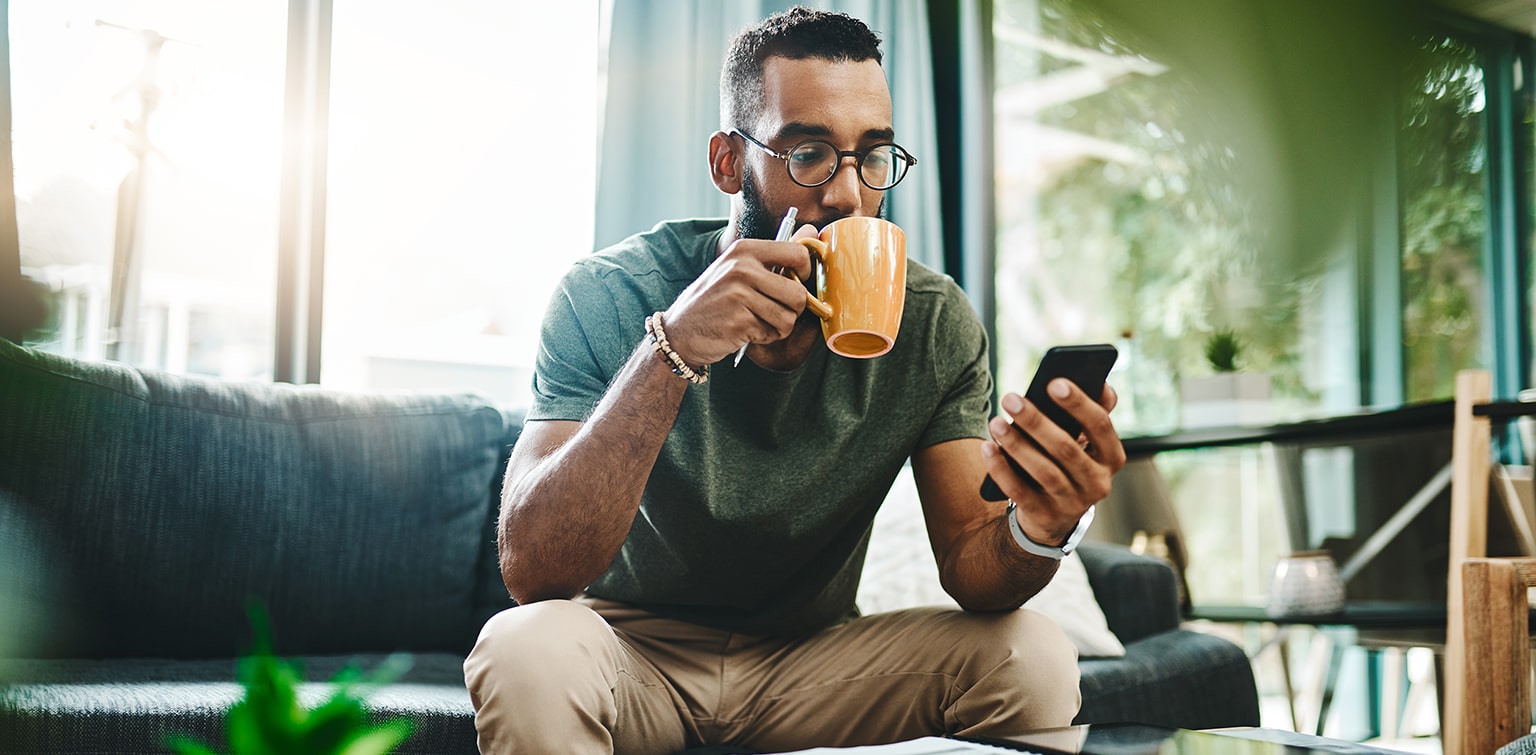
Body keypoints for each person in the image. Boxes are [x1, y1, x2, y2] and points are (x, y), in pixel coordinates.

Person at [463, 7, 1124, 754]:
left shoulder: (934, 321)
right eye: (808, 152)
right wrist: (670, 350)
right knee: (524, 646)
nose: (845, 196)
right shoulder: (607, 294)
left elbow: (974, 570)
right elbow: (533, 569)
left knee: (1030, 653)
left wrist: (1041, 524)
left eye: (872, 156)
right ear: (726, 163)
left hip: (813, 664)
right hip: (631, 654)